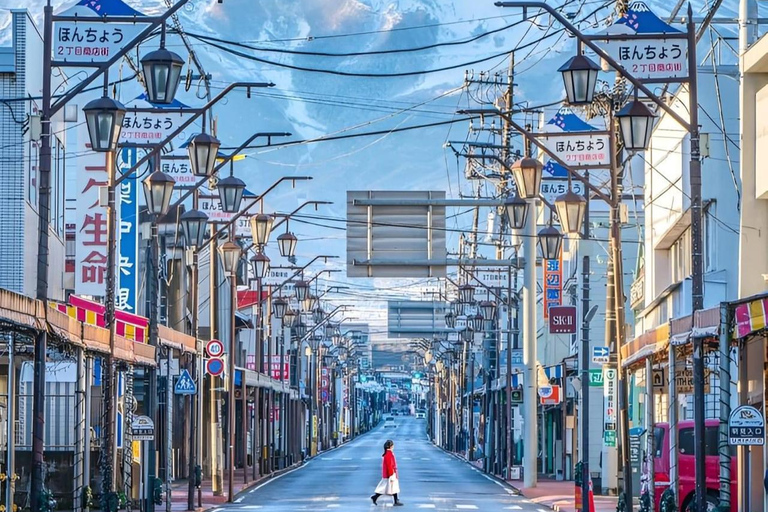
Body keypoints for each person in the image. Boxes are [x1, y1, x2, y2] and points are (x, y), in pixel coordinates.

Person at [371, 440, 403, 506]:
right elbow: (389, 465)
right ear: (391, 446)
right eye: (393, 445)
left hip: (388, 474)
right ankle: (375, 497)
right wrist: (392, 474)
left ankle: (395, 500)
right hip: (390, 474)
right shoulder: (389, 454)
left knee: (392, 488)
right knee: (385, 488)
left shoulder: (387, 453)